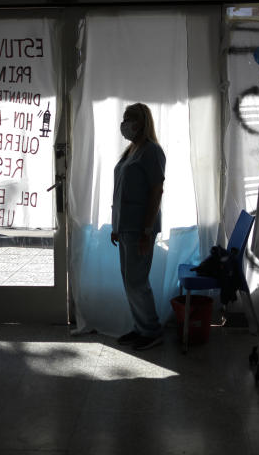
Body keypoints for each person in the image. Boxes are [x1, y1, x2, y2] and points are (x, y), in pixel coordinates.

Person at [111, 102, 166, 350]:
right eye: (124, 118)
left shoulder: (152, 151)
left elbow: (156, 192)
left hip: (140, 228)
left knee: (137, 281)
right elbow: (121, 191)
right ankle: (140, 326)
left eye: (130, 118)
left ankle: (151, 331)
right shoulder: (132, 150)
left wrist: (146, 231)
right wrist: (116, 226)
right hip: (125, 227)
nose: (125, 123)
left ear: (142, 121)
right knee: (129, 279)